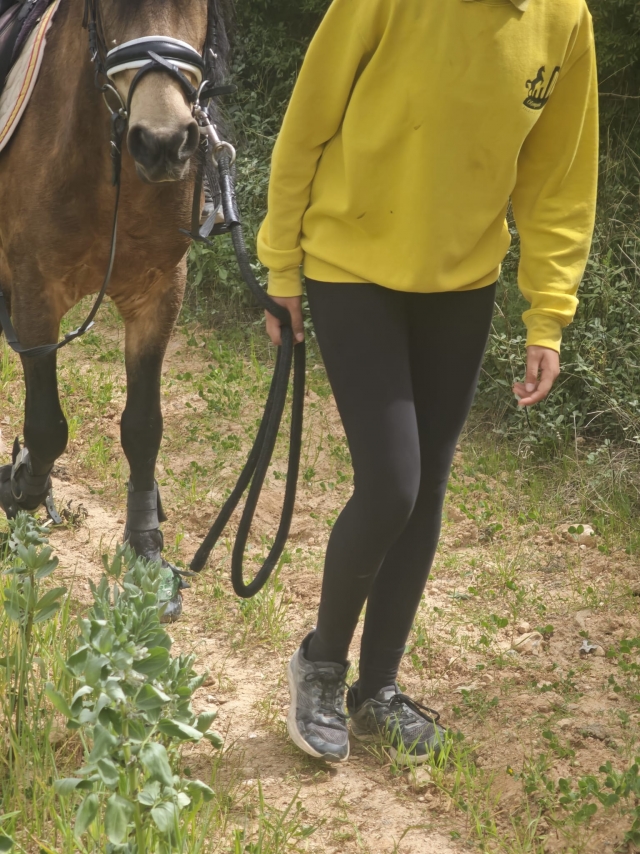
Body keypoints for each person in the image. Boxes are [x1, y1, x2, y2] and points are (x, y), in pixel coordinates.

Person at [258, 0, 598, 765]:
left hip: (462, 282)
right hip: (352, 265)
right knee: (392, 485)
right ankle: (319, 664)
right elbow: (307, 122)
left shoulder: (565, 18)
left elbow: (558, 179)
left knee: (429, 486)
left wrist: (548, 314)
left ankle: (376, 692)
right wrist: (281, 264)